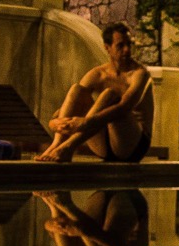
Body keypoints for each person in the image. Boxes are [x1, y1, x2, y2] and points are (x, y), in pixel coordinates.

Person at [36, 22, 153, 163]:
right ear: (107, 48)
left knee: (109, 95)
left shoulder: (139, 74)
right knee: (76, 90)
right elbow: (70, 107)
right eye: (120, 45)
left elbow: (124, 107)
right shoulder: (98, 74)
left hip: (132, 146)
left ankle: (68, 147)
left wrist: (86, 122)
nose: (127, 50)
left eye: (129, 44)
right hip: (103, 145)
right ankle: (57, 145)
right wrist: (53, 123)